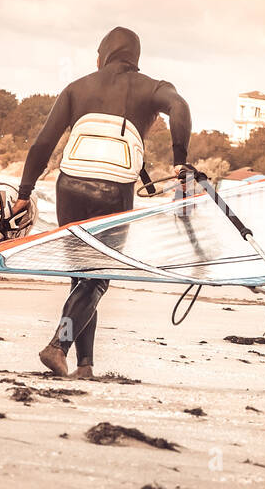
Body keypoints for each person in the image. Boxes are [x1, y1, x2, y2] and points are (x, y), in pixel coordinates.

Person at [10, 26, 191, 378]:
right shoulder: (152, 87)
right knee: (97, 276)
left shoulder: (77, 87)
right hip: (114, 189)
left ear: (104, 53)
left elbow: (42, 145)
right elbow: (180, 107)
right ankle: (59, 346)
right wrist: (180, 159)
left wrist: (24, 194)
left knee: (83, 275)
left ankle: (85, 365)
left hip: (70, 186)